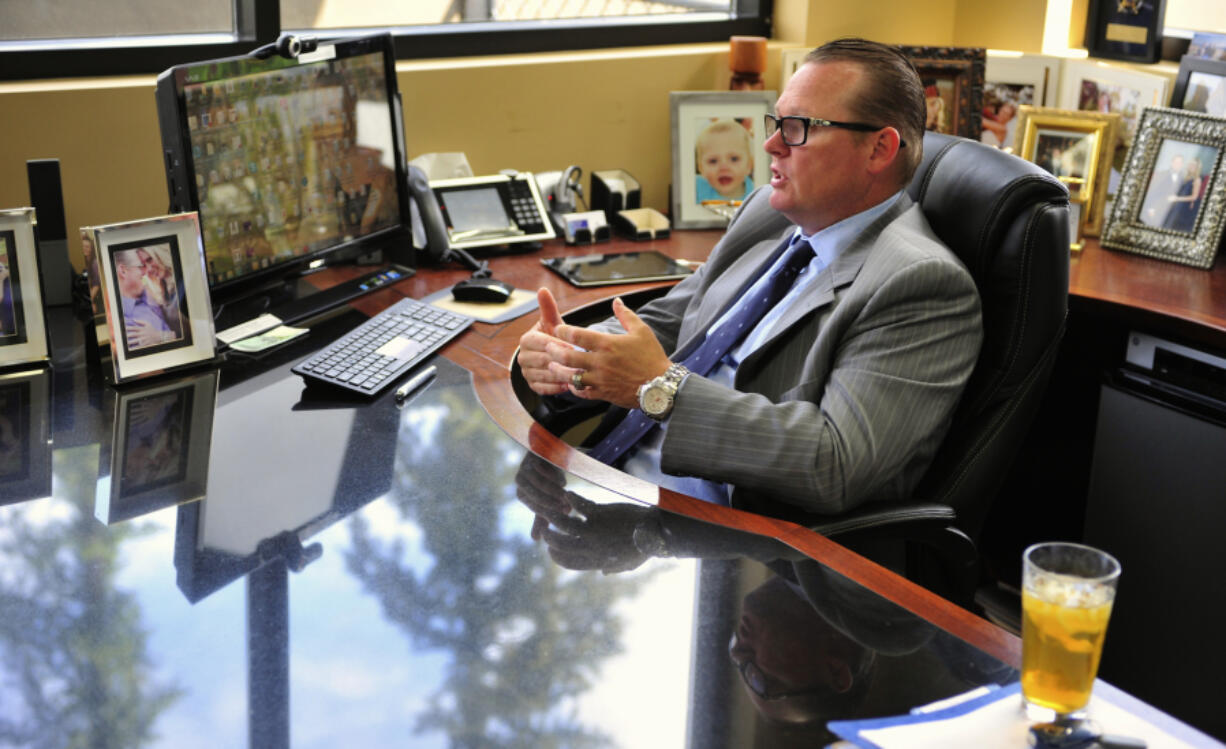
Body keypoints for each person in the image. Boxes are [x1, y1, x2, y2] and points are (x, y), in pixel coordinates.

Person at [517, 38, 983, 518]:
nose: (770, 144)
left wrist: (661, 387)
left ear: (880, 148)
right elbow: (670, 323)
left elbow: (834, 465)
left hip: (725, 541)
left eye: (799, 127)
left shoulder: (921, 284)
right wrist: (570, 353)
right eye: (776, 122)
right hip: (608, 488)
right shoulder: (768, 211)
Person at [114, 248, 176, 351]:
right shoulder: (126, 320)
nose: (145, 272)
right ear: (123, 271)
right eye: (140, 266)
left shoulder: (147, 298)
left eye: (149, 260)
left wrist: (163, 336)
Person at [695, 118, 755, 202]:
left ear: (749, 165)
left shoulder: (755, 194)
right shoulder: (696, 188)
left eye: (734, 159)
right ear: (701, 168)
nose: (724, 167)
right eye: (713, 161)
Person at [1162, 157, 1205, 233]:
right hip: (1178, 206)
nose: (1191, 167)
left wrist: (1177, 199)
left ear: (1197, 168)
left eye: (1194, 166)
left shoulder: (1197, 179)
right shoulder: (1186, 177)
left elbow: (1194, 197)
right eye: (1190, 164)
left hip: (1184, 209)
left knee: (1175, 228)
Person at [1141, 153, 1184, 227]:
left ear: (1182, 165)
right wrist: (1151, 208)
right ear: (1172, 163)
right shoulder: (1162, 175)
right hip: (1157, 208)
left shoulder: (1182, 178)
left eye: (1180, 163)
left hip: (1170, 212)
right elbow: (1152, 192)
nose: (1178, 165)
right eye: (1176, 162)